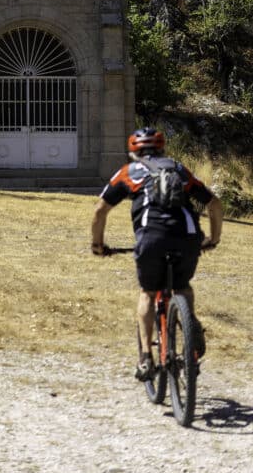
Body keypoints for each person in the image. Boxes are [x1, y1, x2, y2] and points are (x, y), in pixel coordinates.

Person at [91, 126, 222, 380]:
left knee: (148, 293)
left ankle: (145, 359)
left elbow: (100, 211)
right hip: (187, 237)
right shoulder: (178, 169)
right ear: (162, 148)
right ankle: (189, 321)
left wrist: (98, 245)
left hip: (151, 238)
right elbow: (214, 203)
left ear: (133, 151)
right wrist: (213, 238)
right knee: (183, 285)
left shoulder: (129, 172)